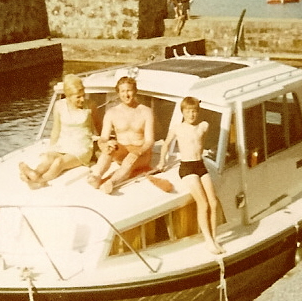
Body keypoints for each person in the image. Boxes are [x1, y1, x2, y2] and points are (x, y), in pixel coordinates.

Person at [157, 97, 224, 255]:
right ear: (183, 112)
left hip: (200, 164)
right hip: (187, 167)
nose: (191, 114)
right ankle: (208, 241)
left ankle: (214, 238)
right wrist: (162, 161)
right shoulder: (177, 128)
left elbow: (202, 143)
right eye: (188, 111)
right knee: (203, 204)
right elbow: (166, 144)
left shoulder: (203, 126)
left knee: (213, 203)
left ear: (198, 112)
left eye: (194, 111)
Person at [19, 75, 96, 188]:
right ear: (68, 96)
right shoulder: (59, 106)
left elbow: (100, 127)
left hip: (81, 147)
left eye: (83, 95)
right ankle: (34, 173)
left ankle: (39, 180)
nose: (82, 99)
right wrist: (50, 148)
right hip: (63, 144)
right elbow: (56, 130)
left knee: (58, 162)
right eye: (78, 97)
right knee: (49, 159)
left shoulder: (90, 105)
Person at [87, 75, 154, 194]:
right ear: (118, 93)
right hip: (122, 151)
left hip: (141, 153)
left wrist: (139, 151)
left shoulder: (146, 112)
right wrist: (104, 145)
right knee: (109, 148)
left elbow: (149, 141)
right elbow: (103, 138)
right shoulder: (112, 113)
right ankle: (96, 176)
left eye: (129, 90)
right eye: (123, 91)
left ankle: (112, 182)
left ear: (135, 91)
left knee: (129, 159)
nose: (126, 94)